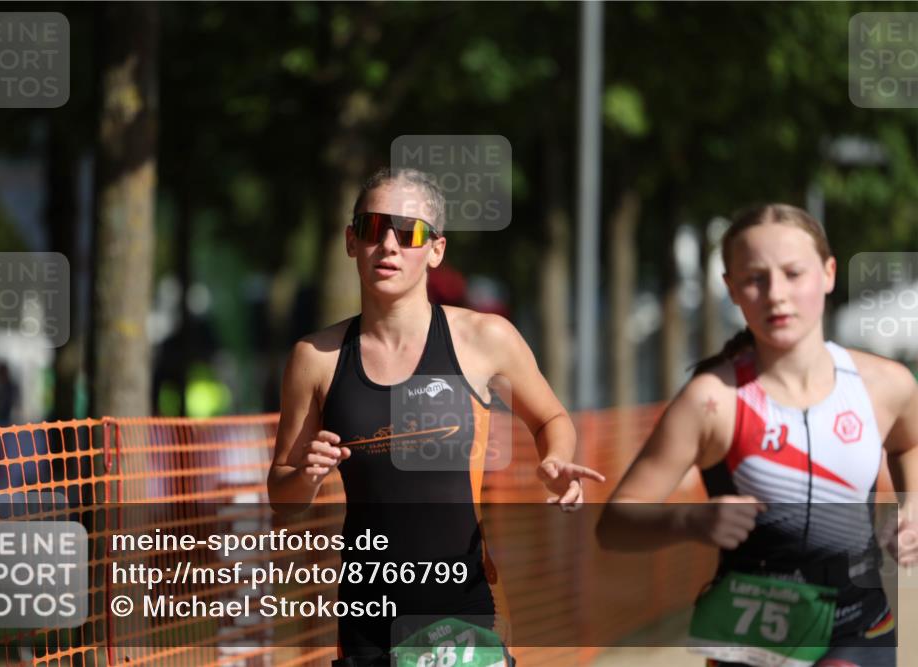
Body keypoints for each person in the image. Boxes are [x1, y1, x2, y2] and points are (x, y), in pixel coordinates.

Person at [267, 167, 604, 665]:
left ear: (436, 250)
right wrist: (308, 477)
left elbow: (551, 419)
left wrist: (555, 462)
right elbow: (283, 496)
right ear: (349, 242)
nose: (388, 245)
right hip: (367, 613)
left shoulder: (484, 340)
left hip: (462, 607)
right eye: (371, 228)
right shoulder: (315, 357)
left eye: (409, 233)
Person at [596, 203, 917, 667]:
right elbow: (614, 525)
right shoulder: (713, 400)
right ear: (731, 289)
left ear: (828, 273)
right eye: (755, 278)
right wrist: (690, 522)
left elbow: (909, 441)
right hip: (751, 643)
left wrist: (912, 506)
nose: (776, 295)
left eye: (793, 273)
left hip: (859, 629)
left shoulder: (885, 385)